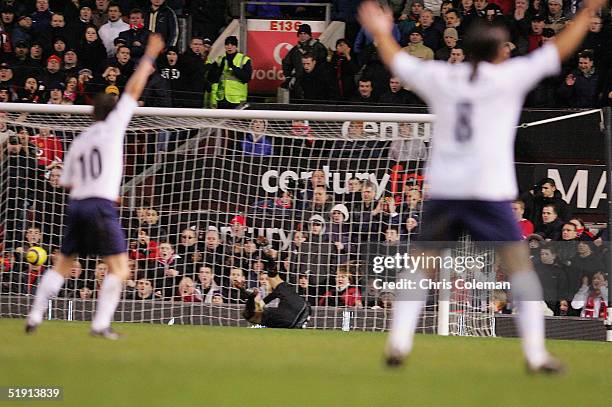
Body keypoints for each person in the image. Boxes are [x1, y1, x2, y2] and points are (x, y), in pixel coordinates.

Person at [357, 0, 605, 373]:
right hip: (488, 190)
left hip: (444, 189)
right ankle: (535, 354)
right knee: (519, 267)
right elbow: (557, 49)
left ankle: (399, 342)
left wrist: (379, 31)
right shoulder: (509, 77)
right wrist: (586, 15)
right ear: (500, 52)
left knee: (422, 263)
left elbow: (396, 60)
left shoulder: (441, 76)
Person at [25, 34, 166, 339]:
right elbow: (133, 88)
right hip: (101, 205)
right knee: (120, 269)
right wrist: (149, 57)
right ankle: (100, 324)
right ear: (113, 112)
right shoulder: (115, 127)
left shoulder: (78, 141)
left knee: (62, 265)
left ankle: (35, 315)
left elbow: (64, 181)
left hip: (76, 204)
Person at [243, 268, 310, 328]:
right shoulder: (259, 293)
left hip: (292, 315)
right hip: (289, 317)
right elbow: (253, 312)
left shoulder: (282, 290)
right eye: (261, 279)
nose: (264, 281)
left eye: (266, 279)